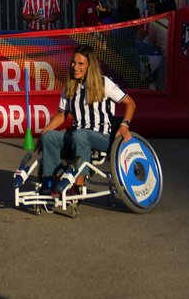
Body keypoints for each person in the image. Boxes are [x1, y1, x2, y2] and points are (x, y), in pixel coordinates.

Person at [36, 45, 134, 194]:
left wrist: (124, 125)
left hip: (100, 137)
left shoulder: (103, 83)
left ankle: (78, 185)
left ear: (90, 65)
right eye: (74, 63)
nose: (75, 67)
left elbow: (130, 103)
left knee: (80, 134)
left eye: (80, 64)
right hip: (77, 135)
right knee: (49, 137)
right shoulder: (70, 86)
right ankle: (54, 180)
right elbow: (62, 114)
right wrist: (44, 132)